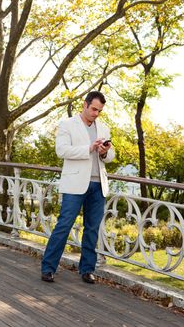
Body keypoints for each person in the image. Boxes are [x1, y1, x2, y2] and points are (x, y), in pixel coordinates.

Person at [41, 91, 115, 284]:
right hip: (75, 184)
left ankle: (87, 269)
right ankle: (48, 268)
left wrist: (104, 152)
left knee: (92, 228)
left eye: (99, 111)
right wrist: (89, 149)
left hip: (98, 184)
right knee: (64, 225)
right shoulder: (67, 125)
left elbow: (111, 156)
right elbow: (61, 150)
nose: (96, 113)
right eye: (93, 109)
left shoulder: (104, 127)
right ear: (85, 104)